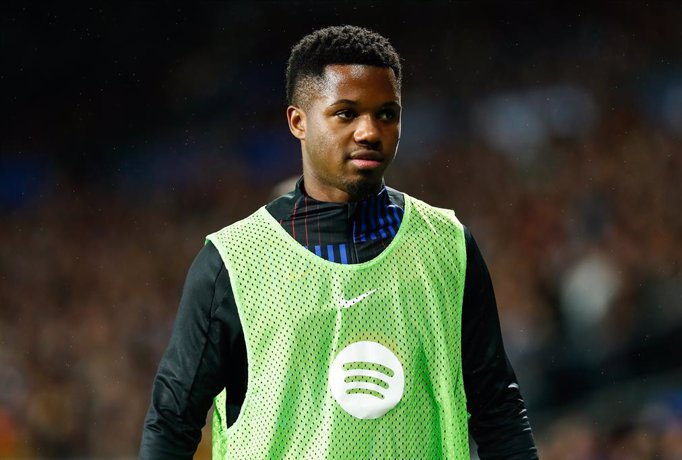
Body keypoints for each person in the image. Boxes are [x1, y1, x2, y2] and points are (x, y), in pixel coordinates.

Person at [139, 25, 538, 459]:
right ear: (298, 122)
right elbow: (172, 423)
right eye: (346, 113)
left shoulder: (449, 249)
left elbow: (499, 411)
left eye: (387, 113)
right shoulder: (231, 264)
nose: (369, 131)